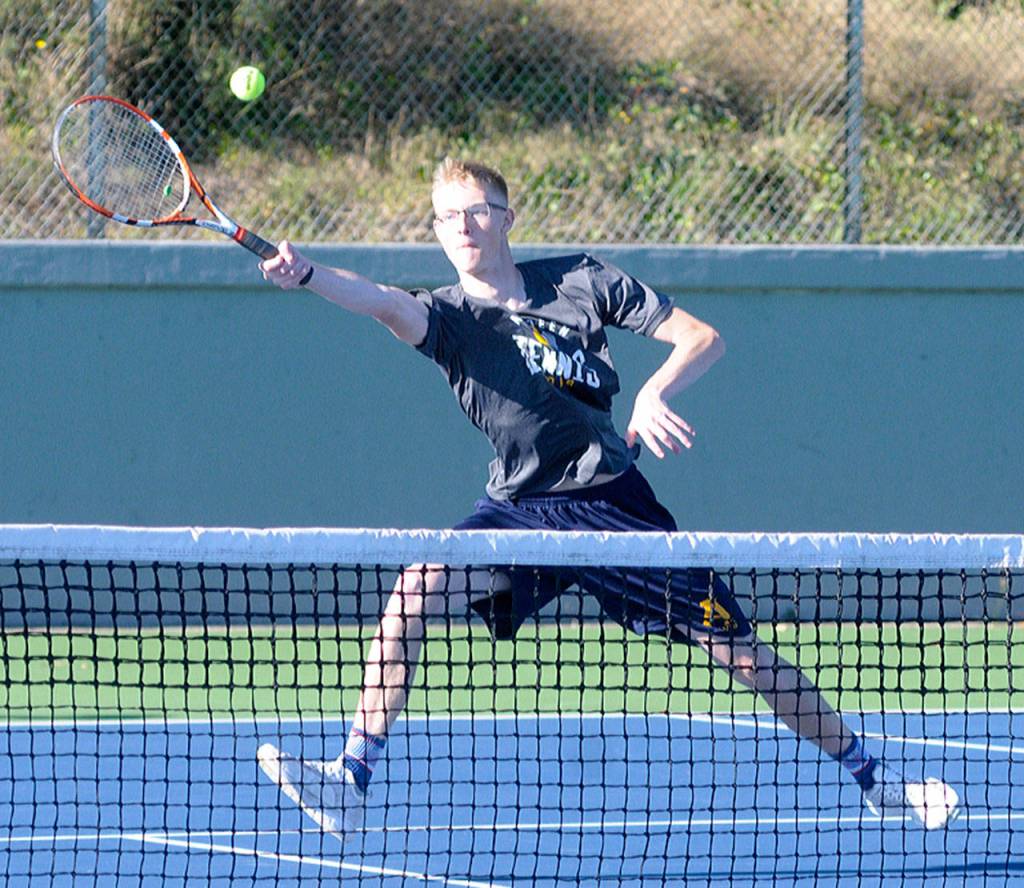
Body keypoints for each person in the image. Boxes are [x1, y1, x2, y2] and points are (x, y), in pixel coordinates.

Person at [255, 158, 960, 840]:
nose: (462, 226)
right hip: (519, 513)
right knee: (414, 590)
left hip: (616, 508)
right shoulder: (446, 321)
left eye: (476, 211)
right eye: (446, 217)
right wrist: (309, 274)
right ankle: (350, 781)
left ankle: (880, 783)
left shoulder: (579, 279)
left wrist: (655, 389)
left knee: (741, 655)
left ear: (506, 218)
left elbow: (701, 338)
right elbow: (379, 300)